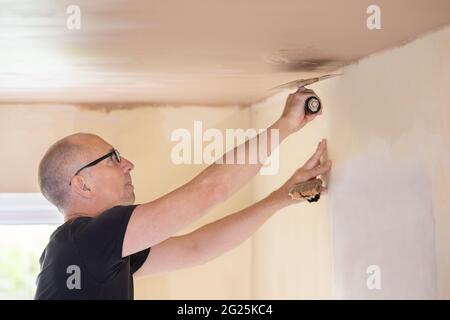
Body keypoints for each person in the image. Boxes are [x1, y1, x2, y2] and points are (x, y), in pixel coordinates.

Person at [34, 88, 332, 299]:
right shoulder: (85, 241)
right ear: (82, 184)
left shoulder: (86, 250)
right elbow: (210, 190)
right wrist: (286, 125)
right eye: (113, 158)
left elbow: (196, 248)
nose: (128, 165)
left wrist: (281, 196)